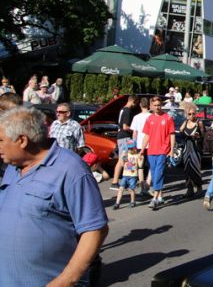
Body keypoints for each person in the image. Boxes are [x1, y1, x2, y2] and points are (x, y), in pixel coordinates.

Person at [0, 106, 108, 286]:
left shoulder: (71, 169)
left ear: (22, 140)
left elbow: (95, 230)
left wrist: (66, 279)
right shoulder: (12, 167)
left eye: (1, 140)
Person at [140, 97, 176, 210]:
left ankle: (154, 198)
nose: (157, 108)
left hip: (163, 150)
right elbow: (147, 135)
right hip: (151, 150)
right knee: (155, 173)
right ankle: (160, 196)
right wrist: (142, 150)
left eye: (159, 105)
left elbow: (172, 134)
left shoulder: (168, 118)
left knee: (159, 173)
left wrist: (171, 150)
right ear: (151, 106)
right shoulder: (149, 118)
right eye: (155, 105)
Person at [111, 94, 138, 189]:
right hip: (124, 137)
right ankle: (114, 182)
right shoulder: (127, 111)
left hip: (121, 136)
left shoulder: (123, 109)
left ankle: (122, 181)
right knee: (122, 159)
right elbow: (125, 127)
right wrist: (135, 130)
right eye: (136, 103)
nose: (136, 105)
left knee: (124, 159)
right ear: (134, 101)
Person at [180, 102, 204, 198]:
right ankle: (189, 189)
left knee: (196, 169)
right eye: (189, 114)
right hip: (187, 150)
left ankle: (199, 187)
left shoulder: (199, 123)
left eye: (193, 113)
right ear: (187, 114)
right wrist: (182, 130)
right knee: (187, 170)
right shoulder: (185, 123)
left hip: (196, 150)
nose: (192, 116)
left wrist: (199, 137)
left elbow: (204, 136)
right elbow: (181, 135)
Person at [130, 98, 152, 195]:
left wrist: (133, 144)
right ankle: (147, 185)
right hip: (150, 144)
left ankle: (142, 186)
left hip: (139, 144)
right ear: (148, 105)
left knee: (140, 166)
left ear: (140, 105)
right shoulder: (151, 116)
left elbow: (134, 133)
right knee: (151, 165)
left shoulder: (136, 117)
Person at [113, 140, 143, 209]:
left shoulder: (137, 156)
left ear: (135, 148)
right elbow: (122, 165)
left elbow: (140, 165)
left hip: (133, 175)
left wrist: (141, 159)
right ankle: (117, 203)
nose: (129, 150)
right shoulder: (126, 155)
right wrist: (122, 158)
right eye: (128, 148)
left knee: (131, 189)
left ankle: (132, 202)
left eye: (131, 148)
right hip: (125, 175)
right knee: (121, 189)